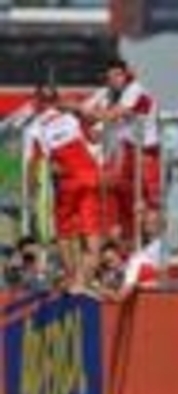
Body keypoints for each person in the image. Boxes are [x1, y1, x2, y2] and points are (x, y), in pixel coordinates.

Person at [75, 58, 162, 242]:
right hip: (123, 155)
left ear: (126, 74)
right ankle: (128, 244)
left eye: (118, 75)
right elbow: (86, 114)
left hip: (146, 154)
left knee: (149, 205)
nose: (114, 80)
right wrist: (88, 117)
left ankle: (153, 243)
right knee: (122, 207)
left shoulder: (136, 91)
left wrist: (90, 114)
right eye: (110, 77)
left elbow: (108, 115)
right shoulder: (106, 93)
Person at [25, 84, 102, 291]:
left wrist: (31, 193)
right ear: (55, 100)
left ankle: (71, 278)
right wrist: (80, 111)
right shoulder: (71, 117)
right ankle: (83, 282)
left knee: (65, 233)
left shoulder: (35, 128)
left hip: (68, 182)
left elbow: (33, 164)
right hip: (91, 177)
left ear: (37, 102)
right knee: (91, 235)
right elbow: (94, 138)